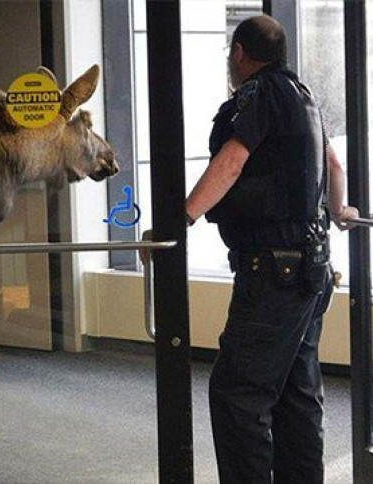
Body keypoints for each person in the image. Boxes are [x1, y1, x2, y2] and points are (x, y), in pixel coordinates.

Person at [138, 15, 358, 483]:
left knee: (239, 393)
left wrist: (181, 218)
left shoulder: (260, 96)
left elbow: (232, 161)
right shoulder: (304, 97)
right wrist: (339, 210)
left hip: (274, 273)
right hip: (311, 268)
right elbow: (333, 163)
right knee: (296, 394)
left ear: (240, 52)